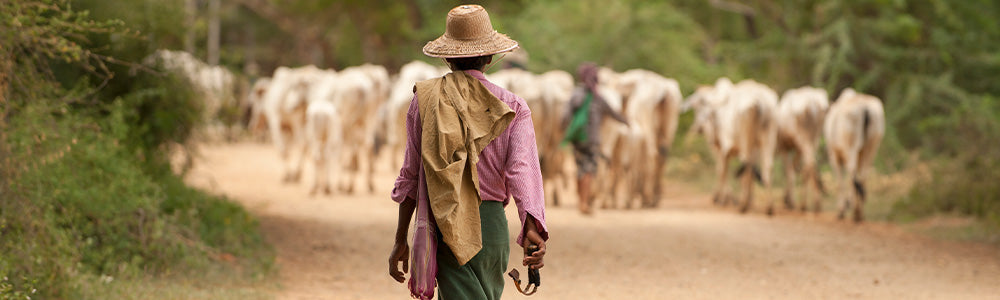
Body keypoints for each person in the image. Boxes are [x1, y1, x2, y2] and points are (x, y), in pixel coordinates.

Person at [387, 5, 548, 300]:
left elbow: (412, 174)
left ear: (447, 57)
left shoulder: (425, 101)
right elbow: (522, 172)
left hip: (447, 221)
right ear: (490, 57)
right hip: (493, 229)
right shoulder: (513, 106)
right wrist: (532, 226)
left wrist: (401, 238)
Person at [562, 62, 629, 215]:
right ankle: (584, 203)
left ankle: (580, 200)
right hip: (592, 139)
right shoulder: (598, 97)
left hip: (577, 138)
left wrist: (566, 130)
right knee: (589, 170)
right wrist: (627, 121)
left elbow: (565, 116)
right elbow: (613, 113)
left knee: (579, 168)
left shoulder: (576, 94)